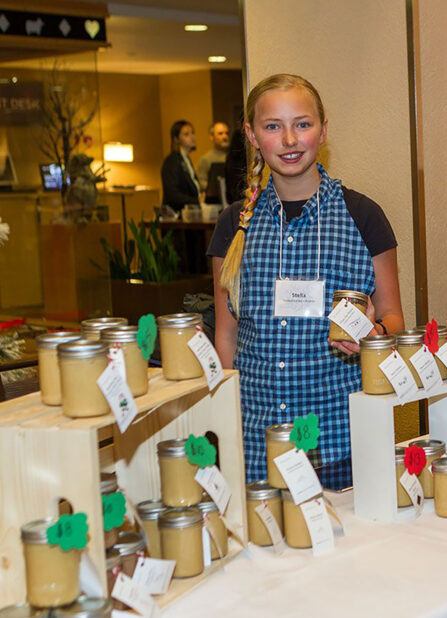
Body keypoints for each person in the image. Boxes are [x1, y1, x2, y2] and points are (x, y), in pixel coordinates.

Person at [207, 74, 404, 489]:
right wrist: (224, 425)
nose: (290, 140)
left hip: (342, 444)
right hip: (258, 446)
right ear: (253, 135)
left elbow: (394, 318)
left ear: (323, 129)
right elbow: (226, 338)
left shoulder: (362, 216)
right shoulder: (234, 225)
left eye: (302, 124)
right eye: (273, 127)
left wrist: (373, 333)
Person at [160, 120, 201, 212]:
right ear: (176, 139)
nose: (192, 137)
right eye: (186, 134)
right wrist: (196, 201)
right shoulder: (172, 161)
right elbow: (172, 194)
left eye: (192, 133)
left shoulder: (186, 159)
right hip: (176, 215)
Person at [196, 121, 231, 192]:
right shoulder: (206, 159)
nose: (225, 136)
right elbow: (201, 183)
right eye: (220, 134)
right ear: (212, 137)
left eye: (226, 133)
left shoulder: (233, 156)